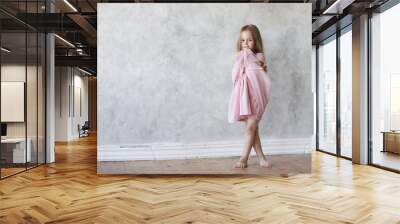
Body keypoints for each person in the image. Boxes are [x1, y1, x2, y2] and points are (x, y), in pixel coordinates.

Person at [227, 24, 272, 168]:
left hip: (255, 98)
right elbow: (235, 76)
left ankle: (243, 158)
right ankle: (261, 157)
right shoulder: (239, 57)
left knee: (250, 129)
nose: (246, 44)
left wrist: (251, 60)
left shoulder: (259, 57)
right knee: (253, 129)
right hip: (244, 98)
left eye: (250, 40)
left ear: (256, 41)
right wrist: (241, 59)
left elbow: (258, 75)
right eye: (243, 40)